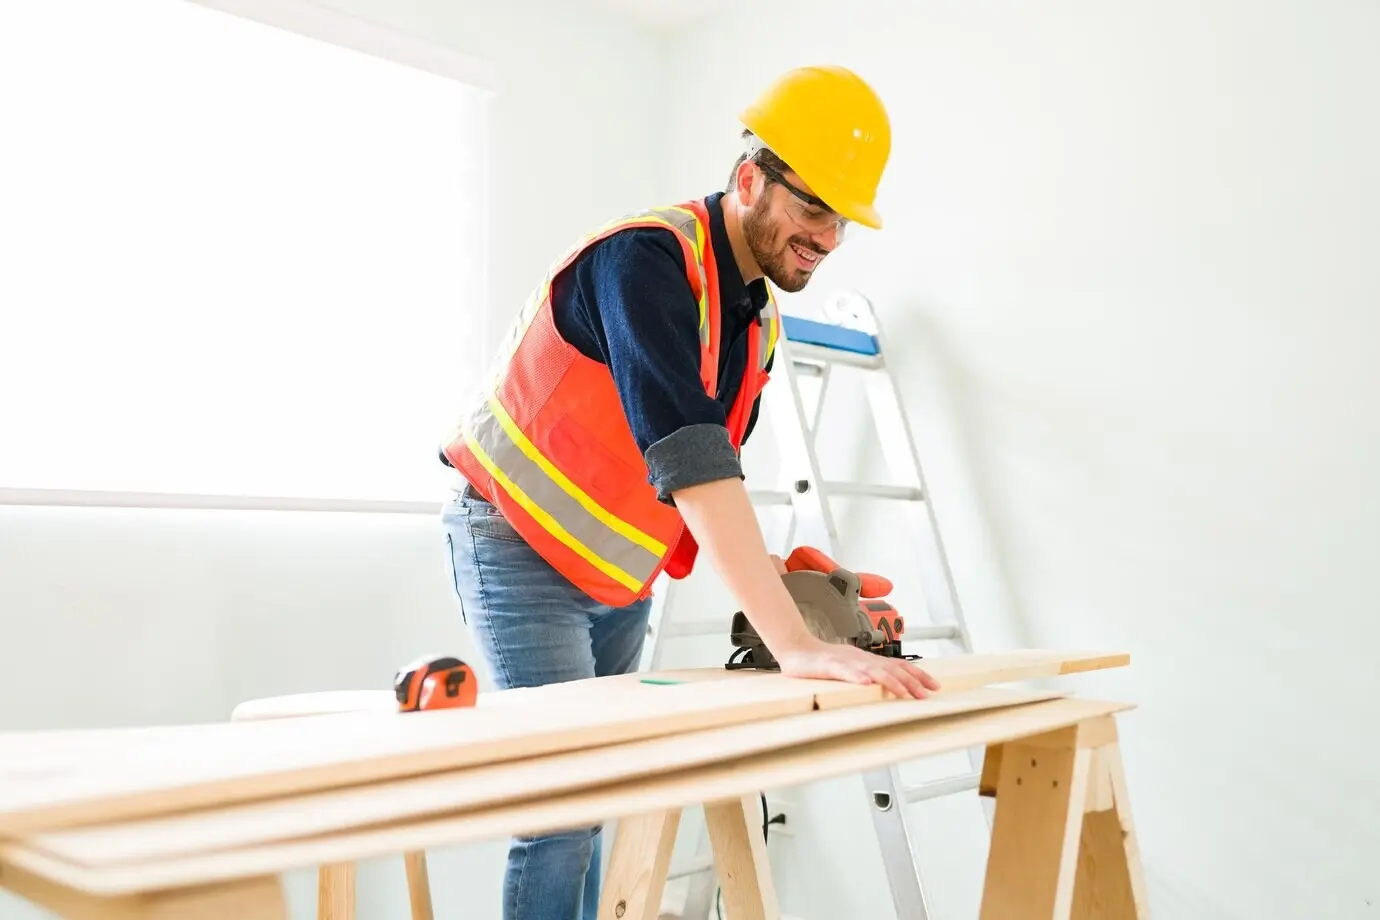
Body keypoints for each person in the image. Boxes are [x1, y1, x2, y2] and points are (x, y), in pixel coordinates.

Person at [438, 64, 940, 920]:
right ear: (749, 179)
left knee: (601, 789)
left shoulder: (755, 318)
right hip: (516, 543)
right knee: (563, 807)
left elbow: (705, 482)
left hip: (612, 574)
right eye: (812, 207)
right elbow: (690, 459)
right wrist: (792, 643)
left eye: (842, 220)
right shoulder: (647, 261)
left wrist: (782, 582)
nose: (827, 237)